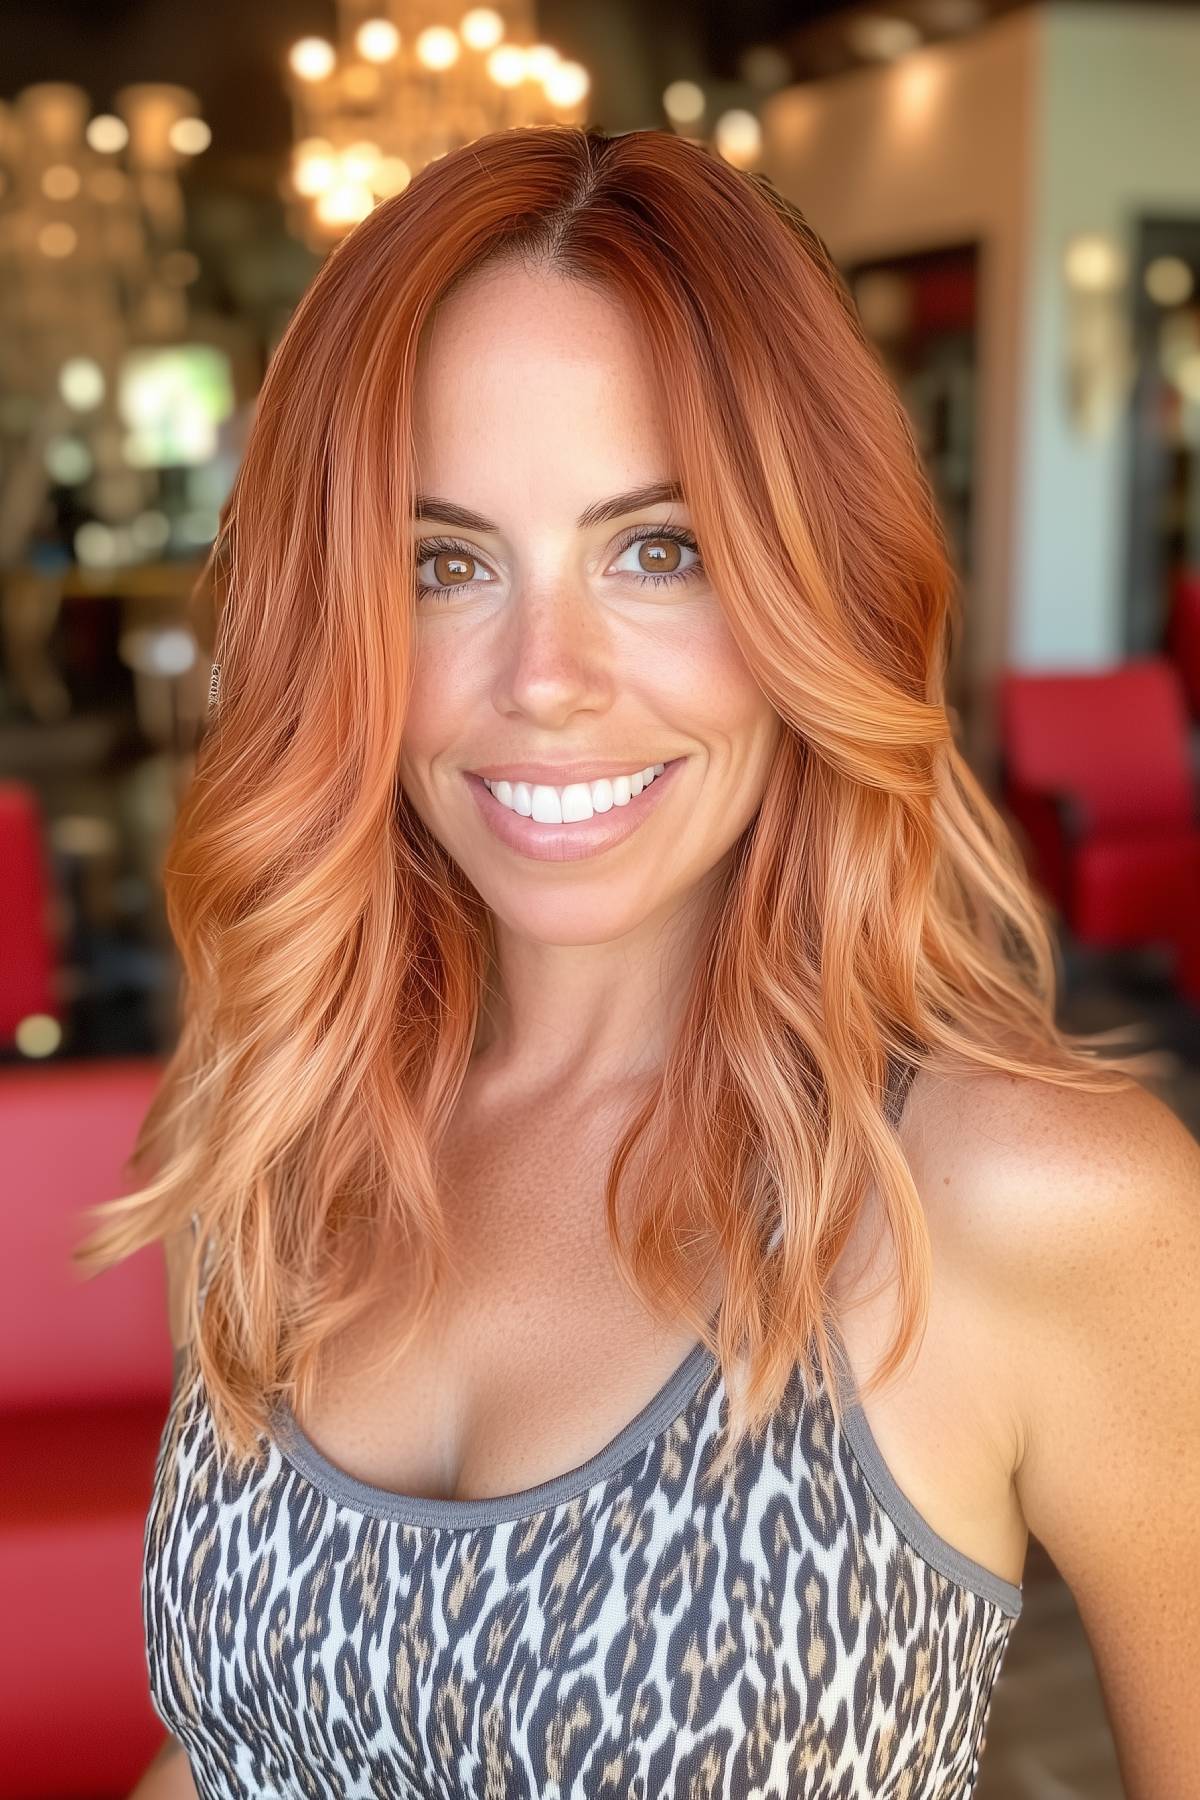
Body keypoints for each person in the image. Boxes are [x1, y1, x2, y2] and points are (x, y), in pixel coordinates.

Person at [90, 125, 1200, 1799]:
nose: (549, 677)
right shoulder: (279, 1126)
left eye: (659, 548)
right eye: (443, 562)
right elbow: (244, 1745)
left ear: (814, 589)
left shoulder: (1034, 1199)